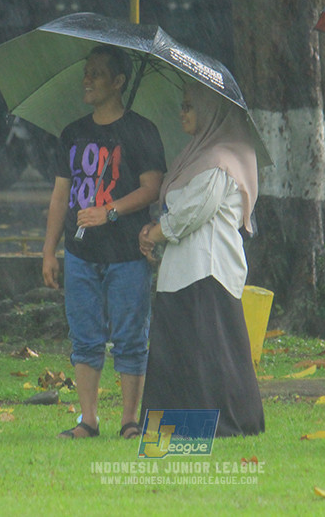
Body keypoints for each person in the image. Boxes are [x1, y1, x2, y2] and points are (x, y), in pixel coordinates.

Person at [42, 44, 166, 440]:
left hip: (126, 254)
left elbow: (152, 188)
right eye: (87, 72)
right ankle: (88, 420)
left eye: (98, 73)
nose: (88, 80)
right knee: (85, 337)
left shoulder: (141, 131)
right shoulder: (73, 133)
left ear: (119, 82)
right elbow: (60, 196)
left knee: (131, 337)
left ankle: (129, 421)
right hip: (80, 254)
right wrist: (48, 250)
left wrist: (109, 211)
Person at [137, 83, 264, 437]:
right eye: (183, 105)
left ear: (211, 113)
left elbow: (193, 211)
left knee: (211, 352)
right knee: (187, 350)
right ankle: (181, 425)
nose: (182, 113)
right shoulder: (197, 152)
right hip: (183, 268)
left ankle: (222, 423)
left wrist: (154, 233)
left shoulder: (220, 160)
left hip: (207, 269)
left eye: (190, 107)